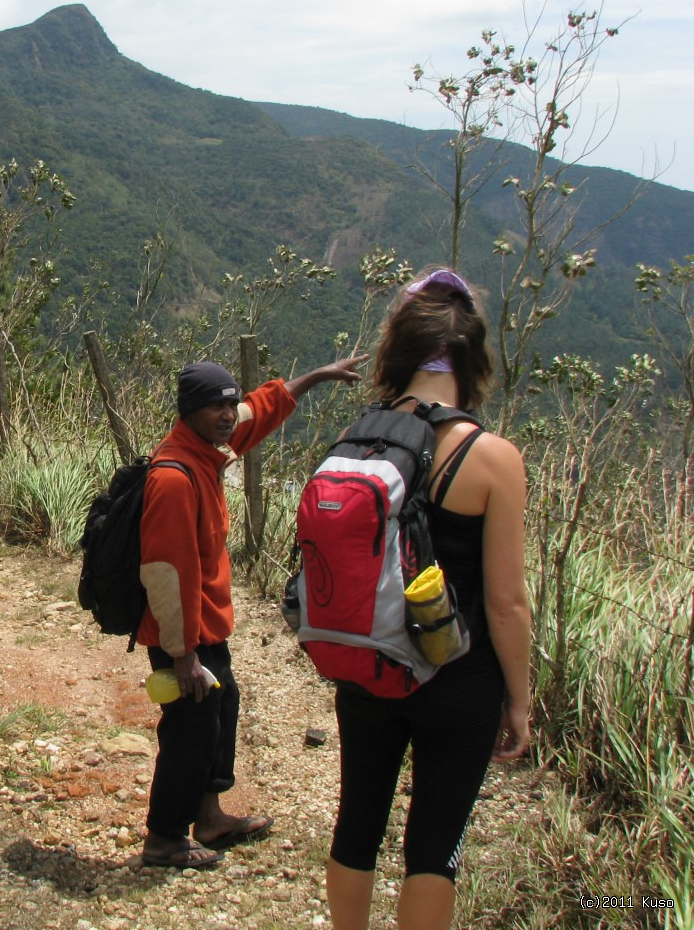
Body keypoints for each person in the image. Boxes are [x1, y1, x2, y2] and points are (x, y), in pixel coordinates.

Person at [324, 268, 533, 929]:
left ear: (401, 352)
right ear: (472, 362)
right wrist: (521, 700)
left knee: (357, 823)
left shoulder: (358, 438)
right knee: (433, 849)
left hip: (368, 665)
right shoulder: (493, 458)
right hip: (458, 680)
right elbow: (506, 604)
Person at [137, 354, 366, 869]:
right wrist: (182, 656)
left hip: (205, 629)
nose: (227, 413)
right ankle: (165, 838)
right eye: (215, 405)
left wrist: (318, 374)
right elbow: (166, 576)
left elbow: (258, 411)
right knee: (190, 731)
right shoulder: (175, 477)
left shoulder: (208, 447)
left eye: (229, 402)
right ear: (190, 411)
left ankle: (210, 816)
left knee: (220, 710)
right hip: (183, 635)